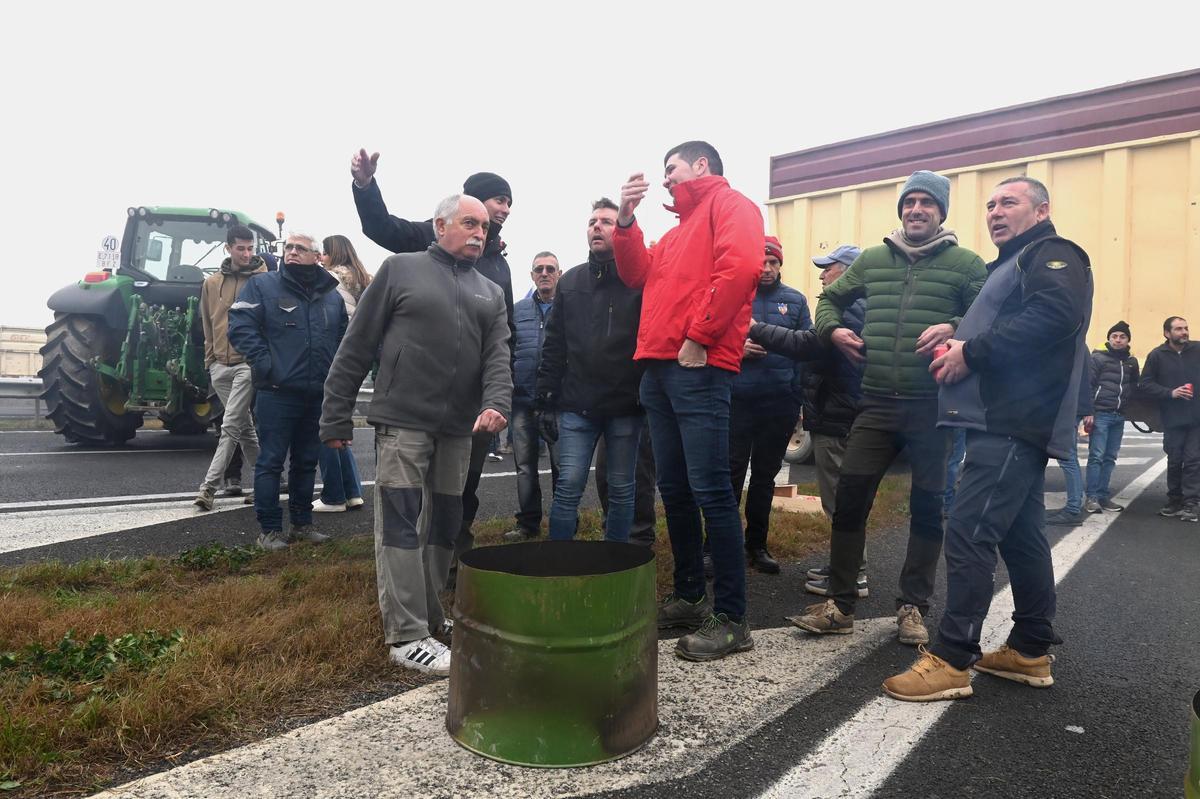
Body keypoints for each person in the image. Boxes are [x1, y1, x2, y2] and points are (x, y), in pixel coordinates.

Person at [883, 175, 1093, 701]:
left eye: (1010, 202)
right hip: (1006, 420)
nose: (995, 212)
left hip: (1012, 422)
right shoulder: (1013, 262)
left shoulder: (1052, 252)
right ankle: (1029, 649)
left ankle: (953, 657)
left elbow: (1055, 316)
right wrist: (957, 335)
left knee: (969, 532)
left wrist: (969, 353)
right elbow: (1016, 320)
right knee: (1022, 539)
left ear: (1041, 210)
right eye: (991, 204)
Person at [790, 170, 987, 646]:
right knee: (850, 502)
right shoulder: (874, 259)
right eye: (909, 202)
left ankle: (913, 608)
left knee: (926, 509)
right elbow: (829, 299)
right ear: (901, 209)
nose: (916, 209)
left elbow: (990, 316)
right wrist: (832, 330)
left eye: (926, 202)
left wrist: (955, 325)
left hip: (931, 409)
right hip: (875, 403)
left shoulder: (966, 264)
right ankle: (840, 604)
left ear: (941, 211)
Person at [320, 194, 512, 676]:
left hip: (457, 429)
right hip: (403, 420)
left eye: (485, 227)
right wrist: (335, 416)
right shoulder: (399, 269)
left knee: (444, 523)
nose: (479, 233)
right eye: (470, 222)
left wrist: (496, 403)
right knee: (402, 520)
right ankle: (406, 635)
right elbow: (357, 343)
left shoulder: (490, 290)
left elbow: (498, 358)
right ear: (440, 224)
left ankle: (429, 616)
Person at [613, 140, 763, 661]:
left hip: (697, 365)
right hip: (658, 366)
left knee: (711, 491)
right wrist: (626, 221)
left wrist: (700, 335)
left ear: (701, 165)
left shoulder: (731, 205)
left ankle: (733, 617)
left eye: (671, 168)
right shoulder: (677, 231)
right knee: (675, 490)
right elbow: (636, 274)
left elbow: (742, 267)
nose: (666, 178)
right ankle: (691, 596)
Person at [349, 149, 515, 562]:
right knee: (408, 500)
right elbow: (381, 226)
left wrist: (500, 394)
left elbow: (502, 337)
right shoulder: (426, 240)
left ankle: (454, 555)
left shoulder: (497, 266)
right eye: (498, 200)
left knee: (460, 490)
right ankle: (408, 571)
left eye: (508, 203)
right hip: (415, 405)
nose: (504, 209)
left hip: (471, 407)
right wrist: (366, 187)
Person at [228, 232, 347, 550]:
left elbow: (342, 339)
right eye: (289, 247)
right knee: (270, 461)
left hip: (316, 393)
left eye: (301, 248)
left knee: (307, 460)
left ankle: (302, 524)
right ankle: (268, 530)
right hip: (277, 392)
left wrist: (334, 376)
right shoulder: (263, 286)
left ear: (317, 256)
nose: (292, 252)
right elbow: (240, 325)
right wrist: (265, 364)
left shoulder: (331, 296)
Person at [537, 199, 645, 543]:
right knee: (568, 485)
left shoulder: (638, 280)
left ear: (623, 230)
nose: (597, 226)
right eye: (592, 221)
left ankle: (615, 561)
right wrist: (544, 398)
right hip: (577, 406)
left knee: (622, 487)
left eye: (607, 222)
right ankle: (559, 565)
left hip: (626, 406)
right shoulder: (569, 281)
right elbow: (554, 342)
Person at [723, 236, 810, 574]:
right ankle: (718, 546)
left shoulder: (796, 300)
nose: (767, 268)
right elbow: (709, 341)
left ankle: (756, 545)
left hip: (779, 404)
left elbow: (807, 347)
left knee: (764, 478)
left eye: (773, 262)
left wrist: (798, 398)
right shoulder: (733, 296)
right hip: (737, 401)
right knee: (729, 476)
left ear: (780, 264)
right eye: (761, 261)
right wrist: (737, 351)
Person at [789, 244, 869, 598]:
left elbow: (809, 349)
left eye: (829, 268)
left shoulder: (845, 313)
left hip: (837, 418)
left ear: (848, 272)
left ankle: (853, 574)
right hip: (843, 414)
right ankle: (845, 566)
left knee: (838, 498)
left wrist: (756, 329)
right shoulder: (861, 308)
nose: (822, 274)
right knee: (843, 498)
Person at [193, 225, 266, 511]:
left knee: (230, 426)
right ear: (228, 248)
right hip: (219, 367)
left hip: (247, 365)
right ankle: (266, 484)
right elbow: (207, 323)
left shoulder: (265, 280)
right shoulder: (211, 283)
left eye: (251, 248)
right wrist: (210, 361)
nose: (247, 254)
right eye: (241, 248)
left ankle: (207, 488)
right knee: (244, 428)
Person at [504, 251, 561, 541]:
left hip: (557, 403)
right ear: (531, 275)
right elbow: (507, 348)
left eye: (550, 268)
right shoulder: (518, 309)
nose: (544, 273)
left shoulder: (568, 308)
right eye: (539, 268)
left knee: (561, 466)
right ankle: (528, 524)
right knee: (524, 467)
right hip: (522, 400)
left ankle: (565, 522)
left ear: (559, 274)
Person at [312, 235, 370, 513]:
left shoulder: (328, 282)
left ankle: (334, 494)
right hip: (355, 361)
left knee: (325, 426)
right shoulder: (362, 280)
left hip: (331, 358)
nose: (321, 257)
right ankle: (352, 491)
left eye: (323, 252)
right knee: (339, 426)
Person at [1139, 316, 1200, 521]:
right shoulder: (1157, 355)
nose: (1184, 332)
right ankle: (1174, 500)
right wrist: (1170, 393)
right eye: (1179, 329)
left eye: (1186, 328)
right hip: (1172, 418)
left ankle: (1191, 503)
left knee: (1193, 460)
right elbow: (1145, 384)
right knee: (1174, 460)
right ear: (1167, 333)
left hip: (1197, 418)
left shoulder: (1197, 350)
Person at [1083, 321, 1139, 513]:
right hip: (1100, 414)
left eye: (1122, 336)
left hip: (1119, 416)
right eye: (1114, 336)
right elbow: (1088, 386)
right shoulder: (1098, 358)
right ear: (1108, 338)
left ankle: (1103, 496)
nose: (1118, 339)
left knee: (1110, 458)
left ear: (1128, 340)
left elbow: (1134, 386)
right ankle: (1091, 497)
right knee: (1096, 456)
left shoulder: (1131, 362)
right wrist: (1088, 412)